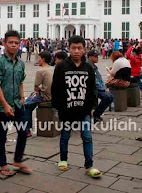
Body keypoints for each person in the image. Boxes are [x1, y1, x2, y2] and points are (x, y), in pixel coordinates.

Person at [52, 35, 102, 178]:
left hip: (83, 110)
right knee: (65, 136)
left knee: (87, 137)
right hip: (66, 109)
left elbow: (93, 88)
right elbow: (55, 88)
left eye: (79, 48)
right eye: (73, 48)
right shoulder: (61, 67)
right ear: (69, 49)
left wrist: (91, 107)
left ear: (84, 49)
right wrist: (58, 108)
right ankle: (63, 159)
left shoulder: (88, 67)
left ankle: (89, 165)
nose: (76, 51)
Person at [0, 30, 32, 176]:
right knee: (2, 136)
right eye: (10, 42)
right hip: (2, 108)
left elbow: (21, 81)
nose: (14, 45)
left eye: (16, 42)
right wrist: (5, 104)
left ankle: (17, 160)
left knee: (24, 131)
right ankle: (3, 165)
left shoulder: (21, 63)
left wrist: (22, 97)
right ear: (4, 44)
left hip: (17, 105)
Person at [25, 51, 54, 137]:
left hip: (45, 96)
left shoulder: (40, 71)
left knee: (26, 106)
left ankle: (27, 130)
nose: (38, 60)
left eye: (39, 58)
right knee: (31, 96)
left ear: (43, 59)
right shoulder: (53, 68)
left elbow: (36, 88)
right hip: (54, 95)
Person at [87, 49, 114, 123]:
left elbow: (100, 79)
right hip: (92, 88)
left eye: (97, 56)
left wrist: (104, 87)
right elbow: (94, 81)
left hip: (98, 87)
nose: (97, 58)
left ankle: (97, 114)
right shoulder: (88, 66)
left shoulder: (94, 67)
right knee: (107, 97)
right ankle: (96, 114)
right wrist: (103, 89)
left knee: (110, 96)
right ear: (89, 57)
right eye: (95, 56)